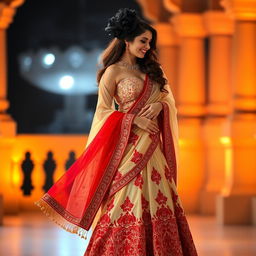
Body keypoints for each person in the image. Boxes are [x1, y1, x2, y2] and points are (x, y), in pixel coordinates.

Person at [35, 8, 198, 256]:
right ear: (127, 40)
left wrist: (160, 105)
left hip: (153, 153)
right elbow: (101, 113)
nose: (147, 46)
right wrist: (133, 120)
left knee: (160, 202)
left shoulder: (153, 70)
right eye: (143, 41)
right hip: (126, 151)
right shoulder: (113, 72)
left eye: (149, 42)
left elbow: (168, 101)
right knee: (122, 203)